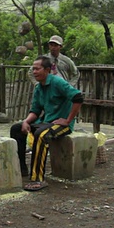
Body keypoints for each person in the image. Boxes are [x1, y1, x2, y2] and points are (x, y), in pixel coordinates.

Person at [11, 55, 84, 191]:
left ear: (47, 70)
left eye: (37, 69)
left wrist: (68, 120)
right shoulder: (39, 87)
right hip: (46, 121)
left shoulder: (58, 83)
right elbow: (35, 110)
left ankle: (38, 179)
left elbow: (78, 97)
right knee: (16, 128)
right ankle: (22, 169)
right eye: (33, 69)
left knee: (41, 134)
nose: (34, 72)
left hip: (61, 125)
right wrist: (26, 121)